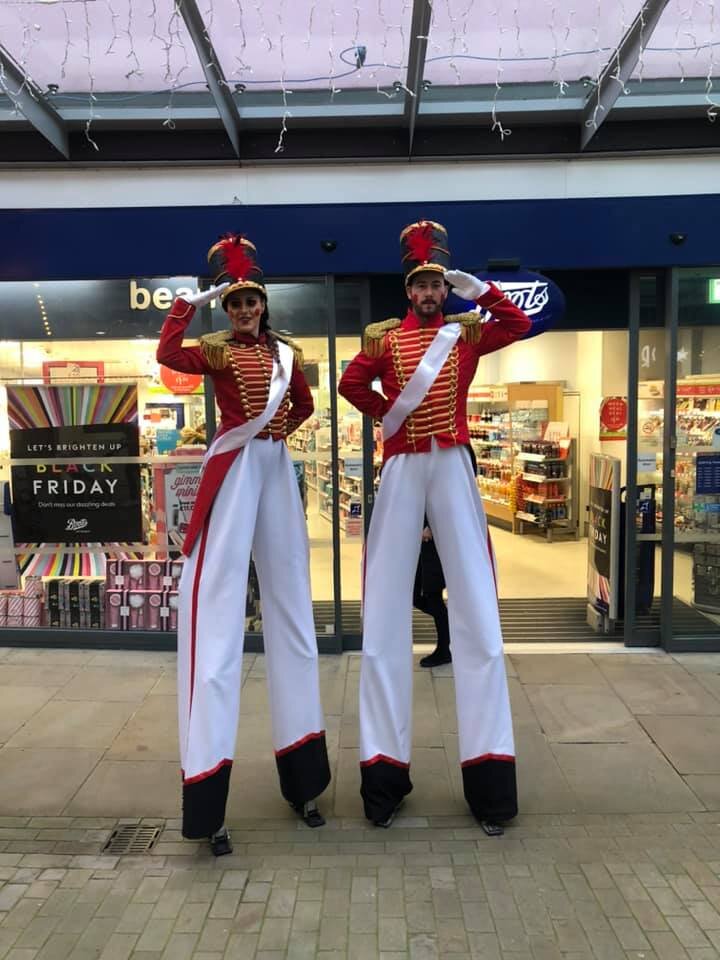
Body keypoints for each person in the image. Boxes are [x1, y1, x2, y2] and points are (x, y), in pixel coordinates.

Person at [338, 220, 532, 833]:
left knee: (476, 603)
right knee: (384, 613)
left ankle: (491, 781)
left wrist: (483, 289)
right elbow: (349, 384)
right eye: (421, 283)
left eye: (437, 283)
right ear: (409, 287)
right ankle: (383, 779)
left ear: (446, 287)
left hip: (452, 461)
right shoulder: (382, 338)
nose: (428, 292)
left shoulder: (466, 332)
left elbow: (519, 325)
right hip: (400, 464)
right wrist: (388, 415)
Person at [157, 233, 331, 855]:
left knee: (293, 619)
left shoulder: (287, 354)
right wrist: (187, 303)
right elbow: (168, 352)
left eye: (250, 301)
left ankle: (306, 784)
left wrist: (276, 432)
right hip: (231, 471)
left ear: (263, 302)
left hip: (274, 466)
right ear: (226, 310)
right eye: (234, 304)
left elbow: (305, 404)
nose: (244, 311)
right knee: (217, 622)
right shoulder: (217, 352)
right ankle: (208, 808)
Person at [414, 520, 451, 668]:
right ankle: (450, 622)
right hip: (422, 551)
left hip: (434, 550)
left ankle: (443, 651)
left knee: (434, 597)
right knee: (416, 597)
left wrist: (431, 527)